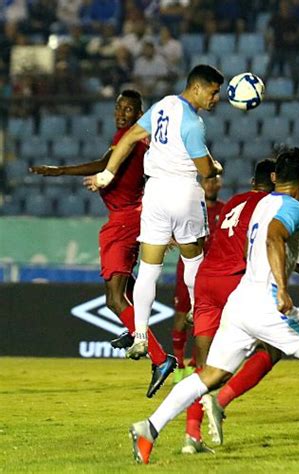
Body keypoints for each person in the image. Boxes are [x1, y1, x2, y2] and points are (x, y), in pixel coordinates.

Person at [128, 148, 299, 463]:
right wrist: (282, 288)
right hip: (266, 303)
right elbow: (273, 238)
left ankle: (149, 428)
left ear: (275, 178)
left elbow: (254, 243)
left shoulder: (261, 205)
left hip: (239, 301)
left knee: (210, 374)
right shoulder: (295, 207)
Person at [180, 156, 299, 454]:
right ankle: (222, 400)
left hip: (206, 281)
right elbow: (274, 234)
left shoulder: (233, 203)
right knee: (272, 349)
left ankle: (192, 435)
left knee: (203, 364)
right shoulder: (269, 204)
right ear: (273, 181)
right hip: (235, 281)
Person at [30, 90, 177, 398]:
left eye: (129, 109)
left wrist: (58, 171)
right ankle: (136, 328)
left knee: (113, 298)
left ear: (139, 113)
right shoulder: (135, 138)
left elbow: (104, 163)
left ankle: (161, 359)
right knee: (126, 289)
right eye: (118, 107)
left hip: (124, 222)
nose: (122, 113)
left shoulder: (131, 138)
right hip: (129, 217)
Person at [87, 64, 224, 363]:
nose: (216, 99)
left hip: (155, 195)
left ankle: (139, 335)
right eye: (213, 93)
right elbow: (205, 172)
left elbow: (129, 137)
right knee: (193, 256)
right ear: (198, 88)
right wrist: (215, 165)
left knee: (149, 269)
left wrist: (107, 175)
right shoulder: (193, 123)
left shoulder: (163, 105)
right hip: (184, 193)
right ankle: (195, 311)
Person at [172, 174, 224, 384]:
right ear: (201, 183)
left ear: (220, 184)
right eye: (208, 181)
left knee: (206, 317)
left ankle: (195, 363)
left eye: (215, 180)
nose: (211, 184)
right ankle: (178, 365)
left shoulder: (226, 210)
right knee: (182, 316)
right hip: (188, 266)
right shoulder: (189, 206)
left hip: (212, 271)